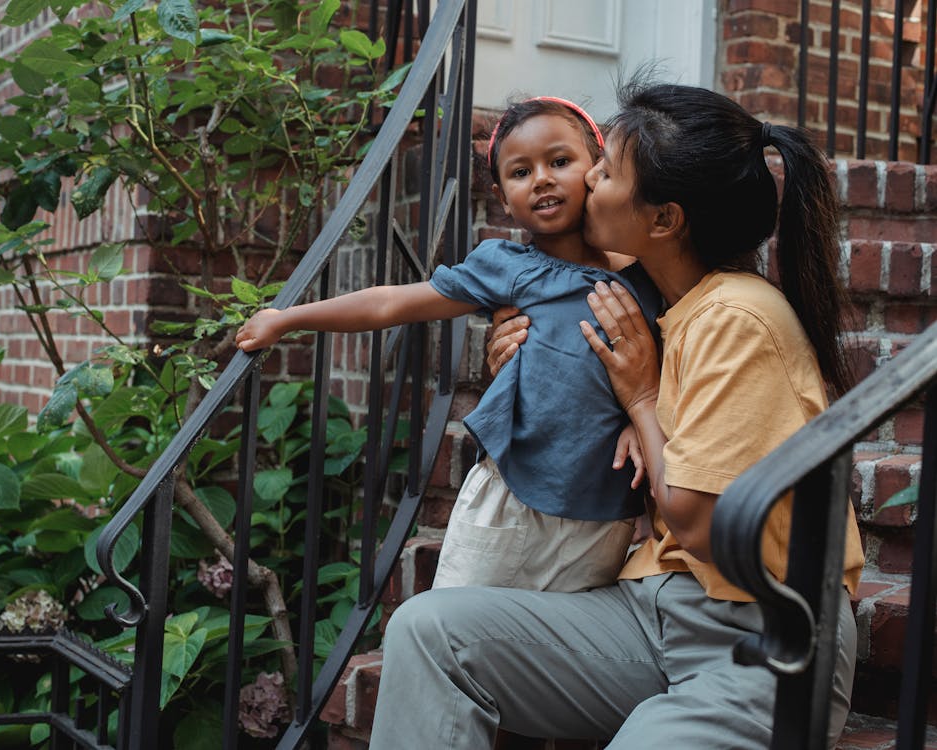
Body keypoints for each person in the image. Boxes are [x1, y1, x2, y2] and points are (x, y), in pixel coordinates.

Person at [367, 81, 866, 748]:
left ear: (662, 220)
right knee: (430, 631)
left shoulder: (736, 319)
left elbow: (697, 523)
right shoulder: (654, 301)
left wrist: (639, 400)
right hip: (651, 614)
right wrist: (518, 360)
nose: (584, 183)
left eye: (602, 171)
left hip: (762, 638)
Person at [237, 96, 663, 593]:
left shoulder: (646, 276)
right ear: (504, 199)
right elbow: (392, 304)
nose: (542, 178)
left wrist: (643, 424)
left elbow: (673, 365)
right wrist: (288, 320)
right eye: (521, 172)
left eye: (560, 161)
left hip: (601, 516)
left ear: (597, 169)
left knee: (541, 656)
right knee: (453, 630)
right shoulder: (505, 267)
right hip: (509, 498)